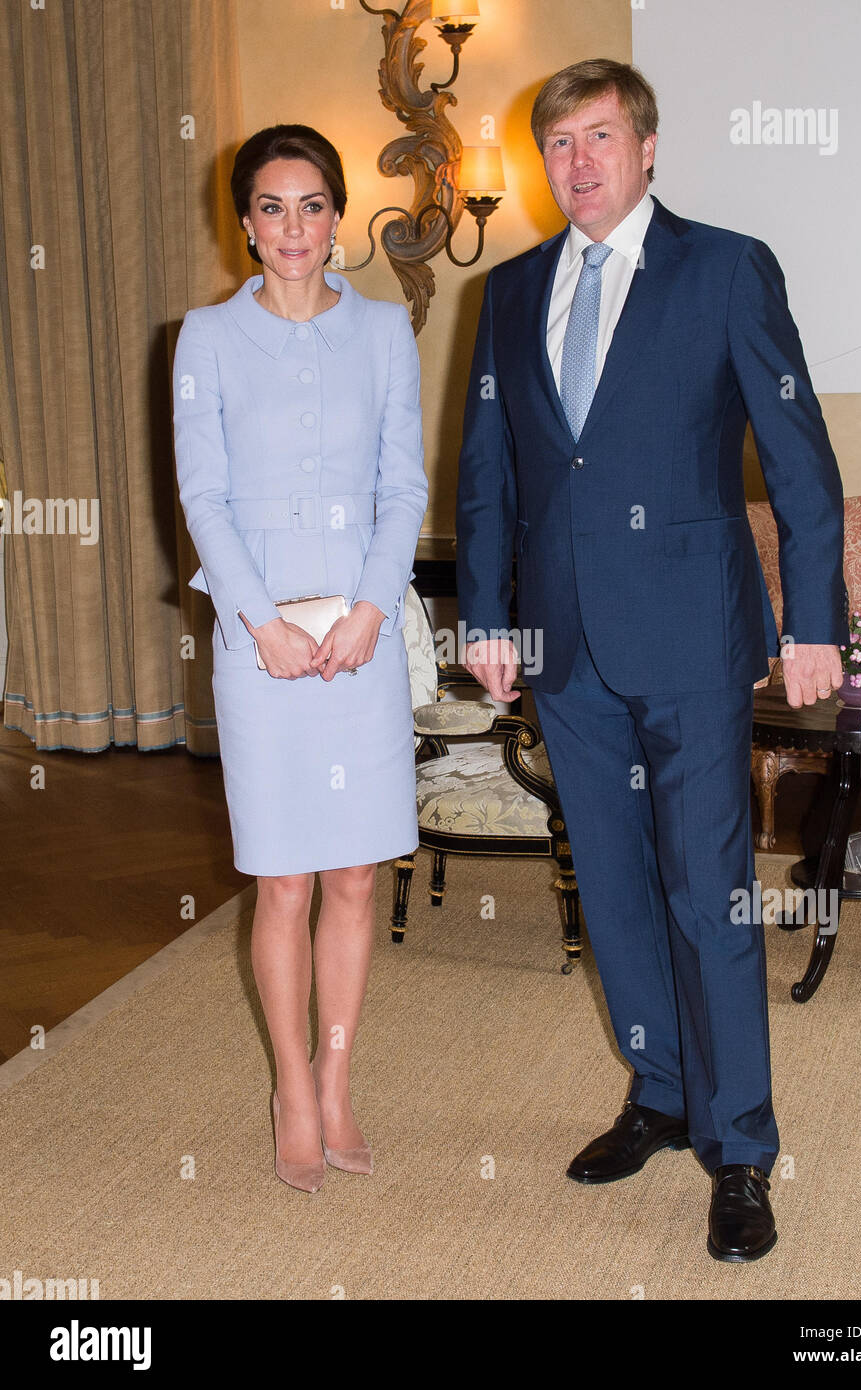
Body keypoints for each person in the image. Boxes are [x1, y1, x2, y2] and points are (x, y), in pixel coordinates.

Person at [455, 60, 846, 1261]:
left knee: (707, 889)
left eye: (600, 136)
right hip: (562, 644)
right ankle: (662, 1089)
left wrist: (815, 624)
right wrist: (487, 617)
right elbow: (488, 470)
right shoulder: (509, 291)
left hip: (689, 639)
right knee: (614, 887)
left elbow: (800, 457)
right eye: (558, 143)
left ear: (648, 145)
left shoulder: (726, 268)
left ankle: (742, 1144)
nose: (578, 162)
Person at [173, 125, 427, 1192]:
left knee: (355, 876)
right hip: (261, 644)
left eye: (312, 205)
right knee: (283, 881)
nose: (293, 227)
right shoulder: (204, 339)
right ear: (245, 222)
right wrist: (260, 622)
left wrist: (372, 609)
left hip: (361, 641)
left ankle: (335, 1079)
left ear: (336, 219)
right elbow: (204, 497)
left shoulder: (383, 332)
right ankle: (289, 1083)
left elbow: (403, 487)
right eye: (272, 207)